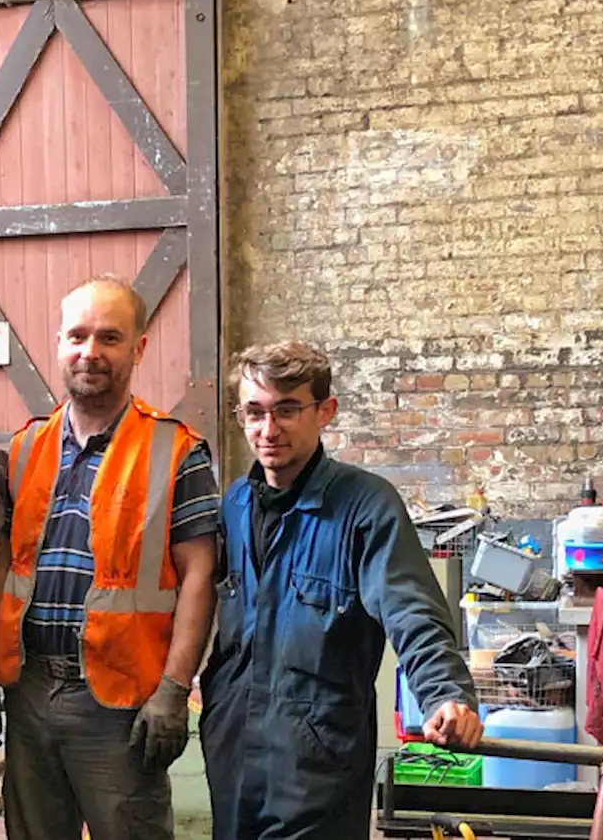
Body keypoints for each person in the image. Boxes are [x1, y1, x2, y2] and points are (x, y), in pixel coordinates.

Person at [0, 276, 219, 840]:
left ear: (138, 348)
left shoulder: (176, 451)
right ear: (58, 343)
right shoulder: (27, 447)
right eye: (77, 336)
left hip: (120, 705)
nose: (90, 352)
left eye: (109, 338)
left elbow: (200, 575)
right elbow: (6, 564)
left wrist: (175, 690)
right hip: (29, 691)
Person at [200, 340, 482, 840]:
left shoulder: (365, 508)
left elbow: (411, 610)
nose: (268, 430)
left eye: (287, 410)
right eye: (255, 412)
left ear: (324, 411)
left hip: (318, 766)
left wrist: (445, 693)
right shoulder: (235, 507)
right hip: (234, 756)